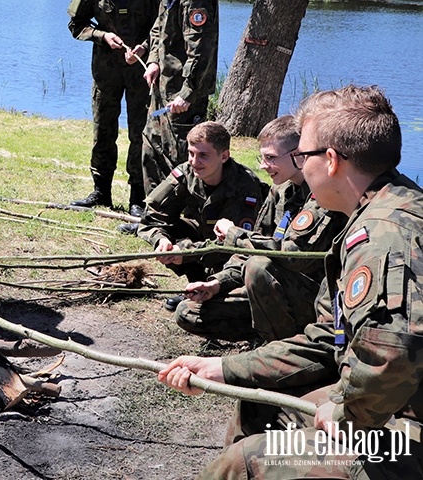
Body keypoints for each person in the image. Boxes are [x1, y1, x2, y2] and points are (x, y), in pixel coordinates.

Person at [158, 85, 423, 478]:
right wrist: (223, 368)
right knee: (258, 402)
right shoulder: (380, 208)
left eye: (304, 154)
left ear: (331, 161)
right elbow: (324, 338)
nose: (299, 162)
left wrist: (346, 413)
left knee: (244, 462)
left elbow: (393, 356)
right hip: (389, 403)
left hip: (406, 430)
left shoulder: (382, 235)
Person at [173, 115, 347, 341]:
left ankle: (282, 345)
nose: (263, 166)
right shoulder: (280, 191)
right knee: (187, 312)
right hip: (269, 290)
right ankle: (265, 332)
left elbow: (295, 257)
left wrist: (234, 234)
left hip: (314, 299)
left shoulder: (323, 195)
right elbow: (253, 245)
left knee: (258, 267)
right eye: (262, 157)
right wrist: (218, 283)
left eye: (271, 158)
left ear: (297, 156)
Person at [67, 0, 160, 216]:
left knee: (138, 133)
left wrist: (144, 48)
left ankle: (136, 197)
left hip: (139, 73)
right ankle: (101, 192)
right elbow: (76, 24)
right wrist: (102, 35)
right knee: (103, 130)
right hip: (105, 71)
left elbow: (162, 25)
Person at [130, 0, 219, 198]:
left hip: (182, 95)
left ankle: (181, 222)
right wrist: (154, 60)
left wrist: (188, 93)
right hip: (163, 87)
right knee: (151, 150)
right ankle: (153, 217)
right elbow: (160, 27)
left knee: (181, 159)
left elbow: (200, 47)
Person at [136, 122, 267, 299]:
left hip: (232, 256)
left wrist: (185, 250)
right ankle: (195, 283)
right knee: (173, 230)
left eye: (204, 155)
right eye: (191, 153)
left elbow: (237, 244)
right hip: (203, 238)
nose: (194, 162)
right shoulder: (185, 174)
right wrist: (161, 240)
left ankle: (216, 286)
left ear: (224, 156)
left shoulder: (246, 186)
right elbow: (151, 218)